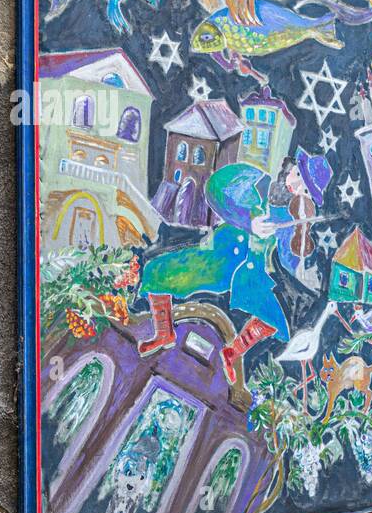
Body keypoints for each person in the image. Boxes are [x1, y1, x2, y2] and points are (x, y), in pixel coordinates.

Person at [137, 148, 332, 384]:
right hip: (219, 257)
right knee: (159, 270)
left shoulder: (290, 216)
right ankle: (164, 332)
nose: (296, 188)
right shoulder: (253, 181)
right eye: (299, 177)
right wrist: (248, 221)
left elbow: (288, 262)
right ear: (290, 168)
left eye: (305, 191)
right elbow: (214, 190)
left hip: (251, 274)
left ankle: (231, 352)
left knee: (275, 320)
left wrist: (300, 237)